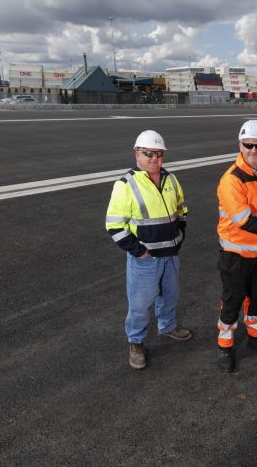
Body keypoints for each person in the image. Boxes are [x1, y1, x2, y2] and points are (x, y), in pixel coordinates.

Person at [105, 130, 192, 370]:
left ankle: (168, 326)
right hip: (146, 260)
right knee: (140, 305)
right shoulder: (126, 185)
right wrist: (138, 251)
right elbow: (114, 225)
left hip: (171, 255)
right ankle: (136, 342)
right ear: (137, 154)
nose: (154, 158)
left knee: (170, 297)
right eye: (148, 153)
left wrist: (180, 234)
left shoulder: (171, 179)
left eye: (158, 154)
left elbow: (181, 209)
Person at [215, 120, 257, 372]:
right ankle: (225, 344)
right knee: (232, 300)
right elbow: (243, 219)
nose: (253, 150)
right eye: (248, 145)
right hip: (235, 254)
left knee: (256, 297)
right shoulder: (231, 179)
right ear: (240, 145)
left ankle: (255, 335)